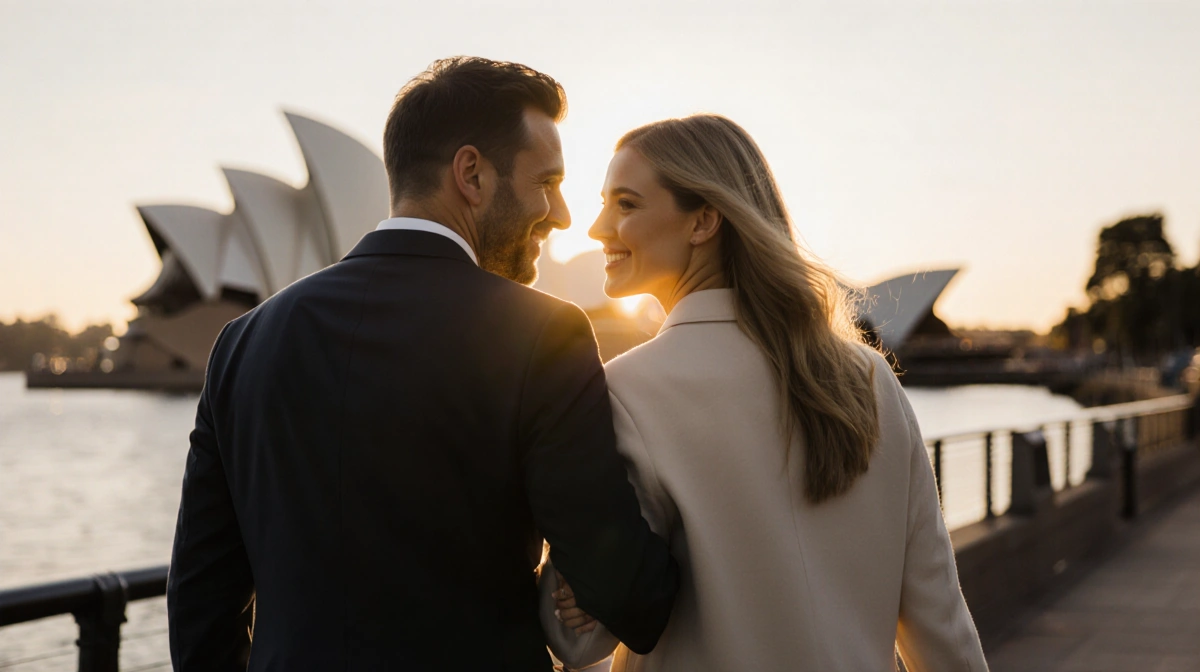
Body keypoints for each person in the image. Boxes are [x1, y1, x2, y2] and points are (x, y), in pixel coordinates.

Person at [166, 57, 679, 671]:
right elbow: (626, 593)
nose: (562, 214)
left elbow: (199, 611)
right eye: (546, 182)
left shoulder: (241, 343)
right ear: (472, 174)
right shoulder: (544, 334)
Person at [541, 115, 988, 671]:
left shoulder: (625, 391)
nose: (598, 228)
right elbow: (940, 624)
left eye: (626, 204)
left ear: (704, 220)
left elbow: (581, 640)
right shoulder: (872, 379)